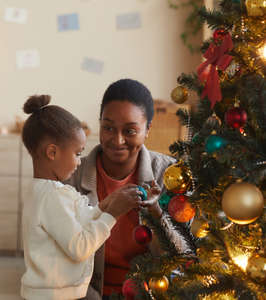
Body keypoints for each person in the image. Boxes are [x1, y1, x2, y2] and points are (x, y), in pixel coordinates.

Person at [19, 95, 160, 300]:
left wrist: (111, 201)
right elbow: (80, 247)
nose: (79, 162)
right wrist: (113, 213)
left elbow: (81, 221)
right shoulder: (53, 197)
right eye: (77, 153)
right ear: (52, 152)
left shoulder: (43, 191)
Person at [67, 79, 193, 299]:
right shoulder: (74, 175)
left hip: (149, 292)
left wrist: (156, 215)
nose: (117, 140)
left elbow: (183, 255)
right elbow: (62, 252)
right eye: (108, 128)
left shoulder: (171, 175)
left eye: (130, 131)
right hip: (86, 292)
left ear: (147, 130)